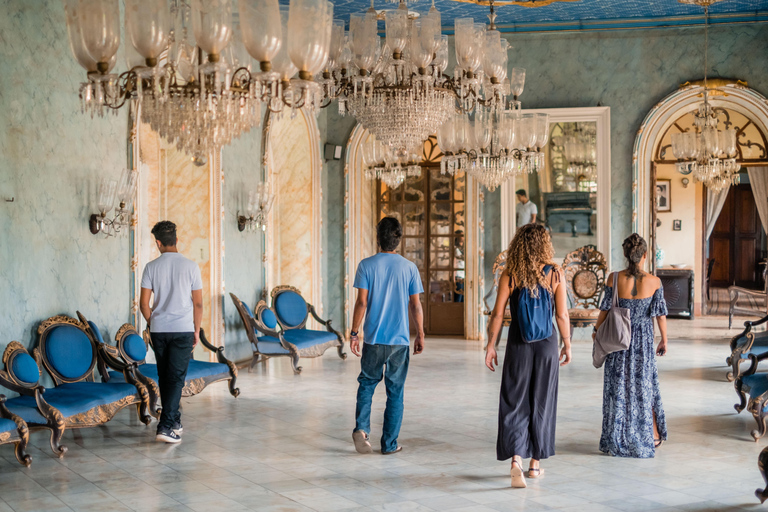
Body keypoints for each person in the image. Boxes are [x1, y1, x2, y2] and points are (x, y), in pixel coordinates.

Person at [485, 224, 571, 488]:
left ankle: (516, 461)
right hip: (546, 345)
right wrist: (567, 343)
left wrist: (491, 345)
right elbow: (561, 315)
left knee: (515, 400)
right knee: (542, 401)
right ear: (544, 244)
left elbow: (497, 314)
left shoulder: (510, 274)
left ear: (518, 244)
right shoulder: (555, 273)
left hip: (518, 344)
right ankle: (535, 465)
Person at [350, 217, 425, 455]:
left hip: (373, 339)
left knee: (367, 384)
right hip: (399, 341)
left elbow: (362, 302)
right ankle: (389, 444)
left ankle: (362, 430)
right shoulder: (409, 268)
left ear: (378, 238)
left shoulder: (366, 265)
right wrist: (420, 333)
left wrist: (354, 333)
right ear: (398, 239)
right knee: (396, 392)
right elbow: (416, 306)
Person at [594, 233, 668, 458]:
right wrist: (664, 339)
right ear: (644, 255)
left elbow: (605, 310)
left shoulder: (613, 278)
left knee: (618, 390)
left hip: (618, 341)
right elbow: (660, 315)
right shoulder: (655, 282)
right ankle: (651, 435)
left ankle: (615, 439)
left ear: (626, 254)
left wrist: (597, 332)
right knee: (644, 388)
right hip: (643, 344)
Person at [139, 221, 203, 444]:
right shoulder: (191, 266)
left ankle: (174, 419)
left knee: (166, 376)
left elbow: (144, 304)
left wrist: (152, 322)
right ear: (176, 240)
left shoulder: (150, 267)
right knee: (175, 378)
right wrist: (196, 330)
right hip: (183, 329)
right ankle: (165, 426)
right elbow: (198, 304)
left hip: (159, 331)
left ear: (158, 243)